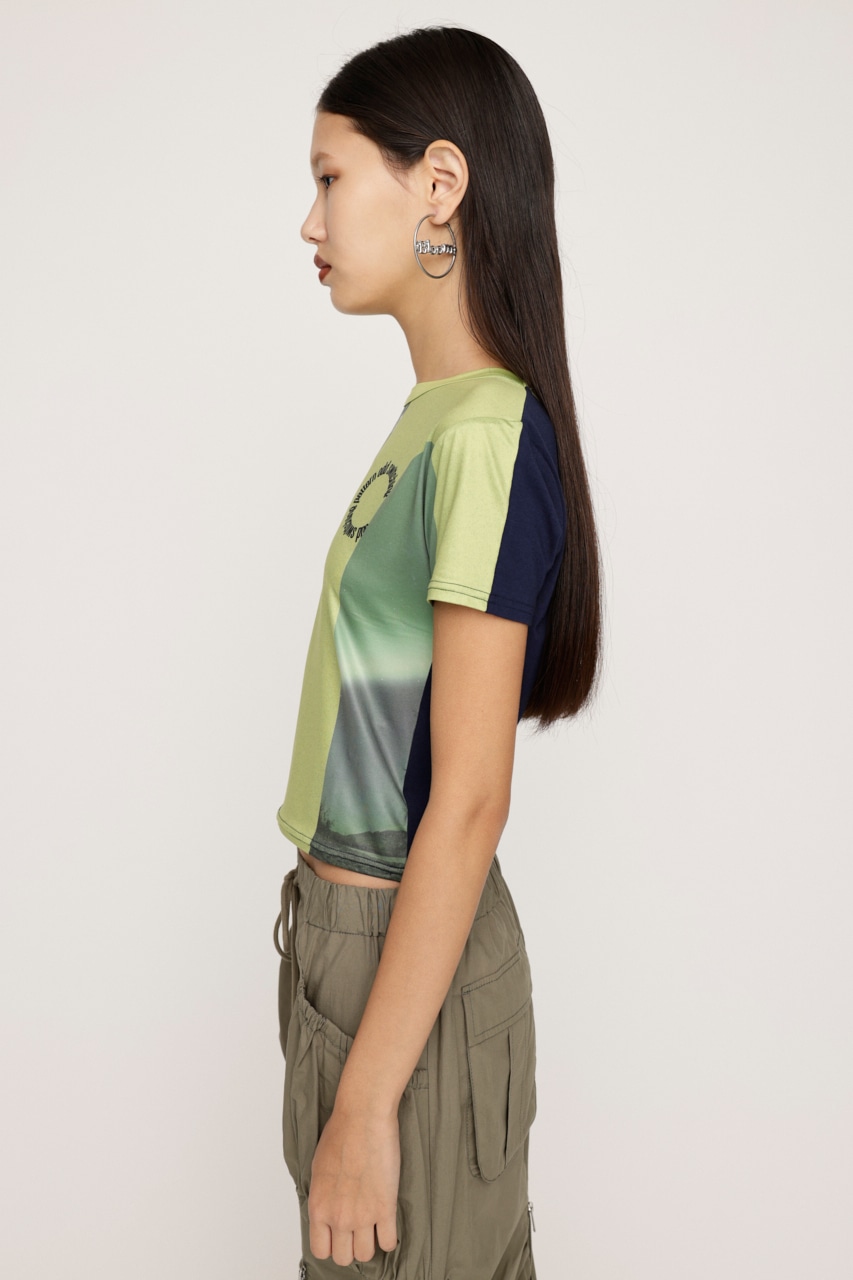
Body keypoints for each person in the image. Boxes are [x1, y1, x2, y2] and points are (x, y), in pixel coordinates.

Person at [273, 26, 602, 1280]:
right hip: (350, 936)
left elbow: (467, 797)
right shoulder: (439, 419)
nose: (310, 222)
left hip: (396, 948)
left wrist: (364, 1105)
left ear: (439, 185)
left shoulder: (481, 434)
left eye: (330, 176)